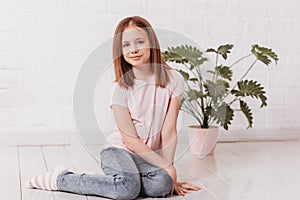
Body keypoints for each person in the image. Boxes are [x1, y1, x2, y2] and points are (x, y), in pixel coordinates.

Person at [26, 16, 200, 199]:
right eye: (126, 45)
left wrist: (169, 172)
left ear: (152, 43)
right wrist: (165, 167)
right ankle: (61, 179)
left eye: (140, 42)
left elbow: (169, 131)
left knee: (162, 185)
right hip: (118, 151)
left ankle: (119, 181)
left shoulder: (174, 80)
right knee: (126, 189)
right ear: (120, 51)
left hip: (145, 157)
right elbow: (130, 140)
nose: (133, 50)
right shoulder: (119, 88)